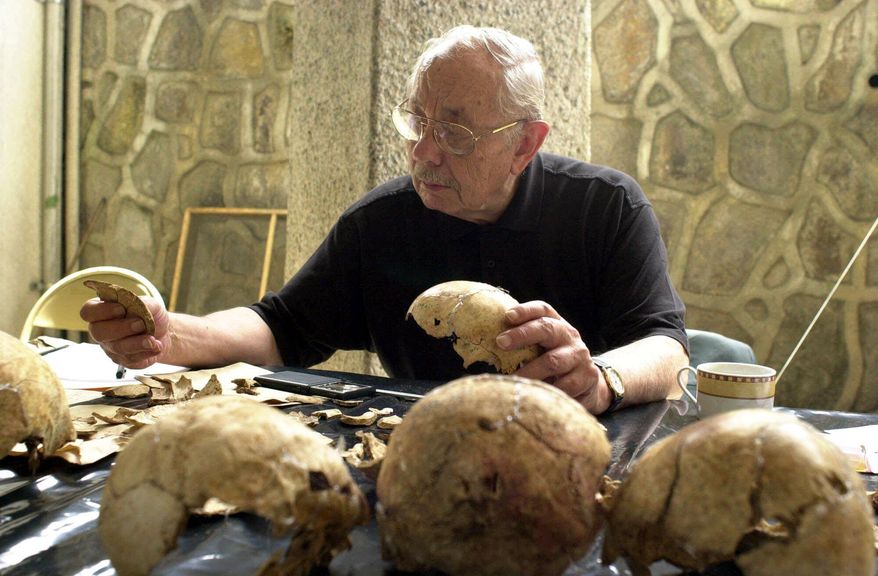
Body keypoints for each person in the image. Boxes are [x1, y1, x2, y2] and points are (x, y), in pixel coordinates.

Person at [81, 25, 688, 414]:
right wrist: (168, 336)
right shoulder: (382, 223)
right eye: (417, 123)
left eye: (453, 132)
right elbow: (281, 328)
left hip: (584, 459)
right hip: (430, 461)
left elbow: (668, 348)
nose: (424, 153)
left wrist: (600, 380)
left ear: (525, 145)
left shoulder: (605, 207)